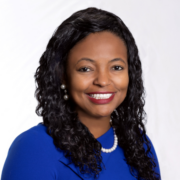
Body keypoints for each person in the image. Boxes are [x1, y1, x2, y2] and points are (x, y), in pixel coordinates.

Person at [1, 7, 161, 180]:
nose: (103, 80)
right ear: (62, 75)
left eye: (116, 67)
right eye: (85, 68)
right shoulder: (34, 148)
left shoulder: (138, 145)